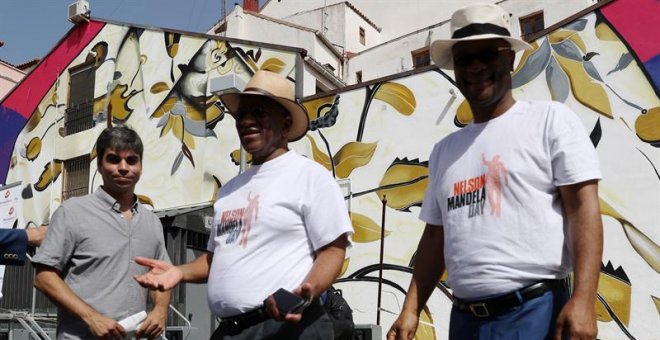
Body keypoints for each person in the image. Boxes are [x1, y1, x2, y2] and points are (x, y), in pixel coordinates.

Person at [387, 3, 603, 340]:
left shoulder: (549, 121)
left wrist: (584, 300)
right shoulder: (445, 151)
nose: (476, 66)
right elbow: (434, 237)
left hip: (536, 314)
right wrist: (411, 308)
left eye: (488, 54)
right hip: (464, 321)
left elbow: (583, 209)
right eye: (464, 59)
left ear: (510, 59)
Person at [133, 70, 353, 339]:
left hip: (289, 328)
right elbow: (217, 259)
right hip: (231, 331)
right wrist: (179, 272)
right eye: (241, 115)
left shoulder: (310, 176)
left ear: (285, 124)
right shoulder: (229, 191)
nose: (246, 121)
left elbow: (332, 250)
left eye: (258, 112)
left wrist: (304, 292)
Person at [32, 126, 171, 340]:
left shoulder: (152, 222)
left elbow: (161, 274)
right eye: (114, 159)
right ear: (99, 165)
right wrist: (91, 317)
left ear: (141, 167)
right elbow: (44, 278)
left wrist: (160, 311)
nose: (123, 168)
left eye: (131, 160)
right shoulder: (72, 212)